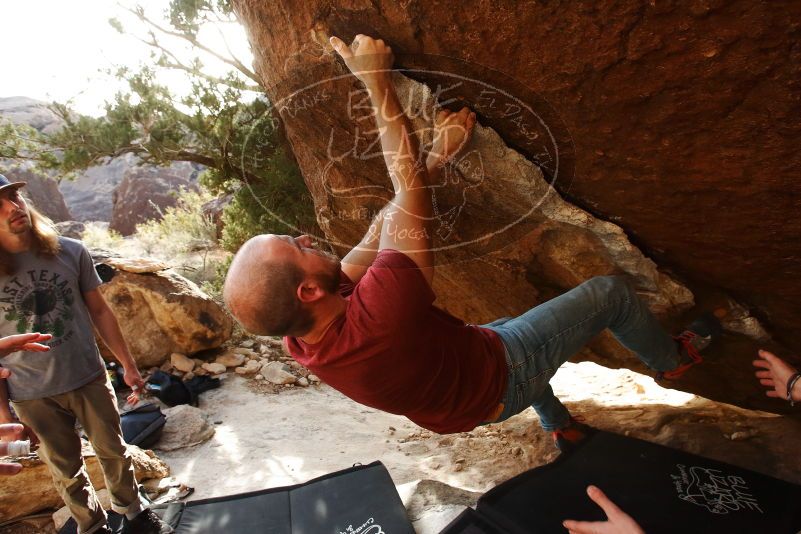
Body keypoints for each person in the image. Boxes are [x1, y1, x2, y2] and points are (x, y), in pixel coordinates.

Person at [223, 34, 720, 451]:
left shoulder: (300, 333)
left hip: (462, 399)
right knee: (604, 295)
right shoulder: (378, 321)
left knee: (499, 331)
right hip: (501, 378)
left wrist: (436, 160)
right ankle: (673, 360)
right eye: (297, 246)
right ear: (306, 291)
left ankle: (560, 427)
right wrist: (373, 80)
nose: (307, 237)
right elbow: (406, 189)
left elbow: (381, 230)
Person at [0, 175, 171, 534]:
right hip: (31, 394)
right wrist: (4, 415)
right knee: (65, 470)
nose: (14, 207)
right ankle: (91, 526)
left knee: (114, 450)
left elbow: (101, 312)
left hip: (89, 376)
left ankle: (134, 513)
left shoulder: (70, 251)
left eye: (14, 196)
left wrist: (128, 365)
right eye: (0, 204)